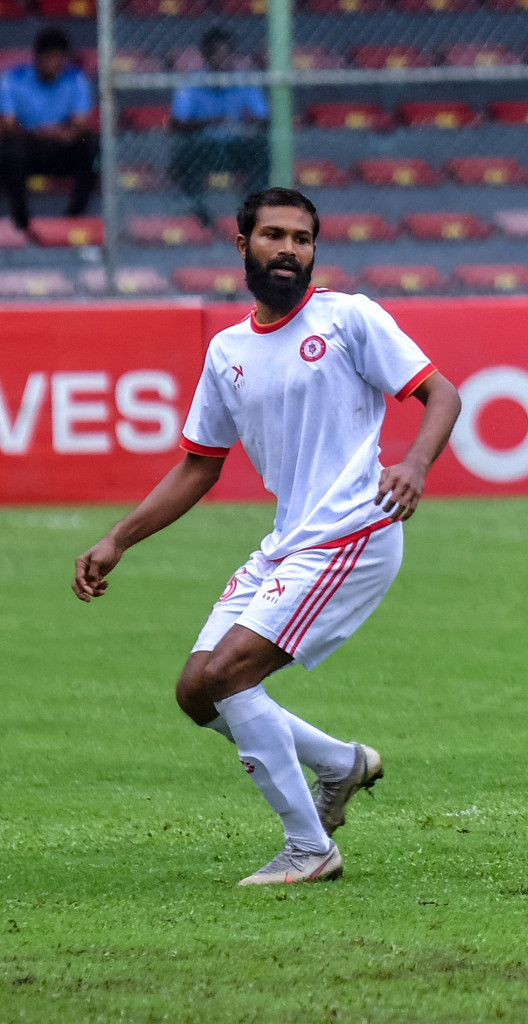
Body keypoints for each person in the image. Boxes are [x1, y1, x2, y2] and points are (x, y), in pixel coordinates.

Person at [72, 187, 462, 887]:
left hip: (353, 532)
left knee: (229, 676)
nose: (289, 249)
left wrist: (414, 463)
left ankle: (309, 849)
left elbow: (442, 394)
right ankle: (341, 764)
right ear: (243, 243)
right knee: (198, 690)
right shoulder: (227, 352)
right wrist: (118, 540)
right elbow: (199, 465)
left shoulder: (348, 318)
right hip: (289, 540)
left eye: (302, 239)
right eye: (274, 235)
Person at [169, 27, 268, 228]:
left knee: (261, 147)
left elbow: (263, 117)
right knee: (184, 151)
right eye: (217, 54)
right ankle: (199, 212)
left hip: (238, 144)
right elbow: (176, 124)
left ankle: (252, 211)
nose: (223, 60)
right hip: (205, 146)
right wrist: (214, 121)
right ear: (206, 55)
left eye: (228, 54)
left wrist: (251, 121)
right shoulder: (191, 82)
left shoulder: (245, 80)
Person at [0, 28, 97, 232]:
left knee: (92, 147)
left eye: (60, 58)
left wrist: (66, 133)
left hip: (60, 145)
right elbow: (7, 125)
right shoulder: (13, 80)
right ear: (37, 57)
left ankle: (72, 220)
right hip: (28, 145)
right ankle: (21, 222)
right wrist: (38, 132)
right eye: (51, 58)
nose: (56, 64)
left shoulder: (75, 79)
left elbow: (80, 123)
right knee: (10, 149)